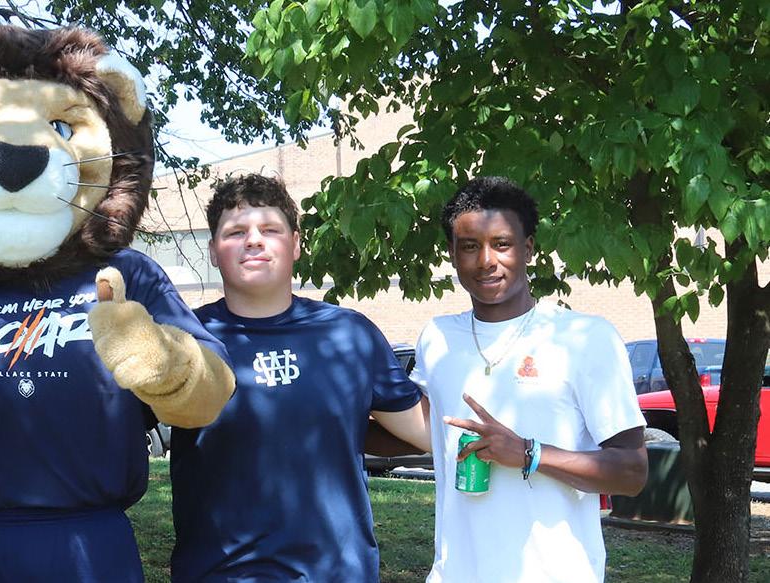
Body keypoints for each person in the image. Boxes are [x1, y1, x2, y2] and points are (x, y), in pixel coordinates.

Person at [169, 173, 430, 582]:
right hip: (221, 573)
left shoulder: (349, 335)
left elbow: (428, 433)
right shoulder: (184, 340)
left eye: (270, 229)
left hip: (336, 573)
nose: (254, 241)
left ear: (295, 244)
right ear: (214, 251)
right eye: (235, 232)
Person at [412, 176, 648, 582]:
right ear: (452, 254)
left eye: (502, 244)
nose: (486, 260)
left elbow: (632, 472)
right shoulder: (437, 338)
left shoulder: (584, 338)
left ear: (529, 249)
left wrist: (527, 453)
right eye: (469, 246)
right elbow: (419, 429)